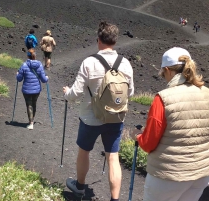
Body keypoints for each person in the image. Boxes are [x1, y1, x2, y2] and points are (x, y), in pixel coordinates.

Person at [63, 21, 134, 201]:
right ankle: (115, 199)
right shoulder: (125, 64)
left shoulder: (89, 62)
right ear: (115, 41)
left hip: (90, 118)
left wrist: (66, 94)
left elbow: (75, 94)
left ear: (98, 40)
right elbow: (130, 92)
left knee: (84, 151)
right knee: (113, 157)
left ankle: (79, 187)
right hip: (116, 118)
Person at [131, 47, 209, 201]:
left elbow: (149, 143)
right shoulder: (206, 93)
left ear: (167, 70)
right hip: (200, 174)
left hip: (168, 175)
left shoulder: (163, 99)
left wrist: (138, 136)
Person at [16, 48, 48, 130]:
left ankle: (31, 123)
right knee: (34, 104)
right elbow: (44, 80)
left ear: (27, 55)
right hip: (36, 89)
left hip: (26, 89)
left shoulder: (24, 65)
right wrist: (47, 78)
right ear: (35, 55)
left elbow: (19, 79)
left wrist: (17, 74)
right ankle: (32, 120)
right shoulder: (40, 65)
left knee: (29, 105)